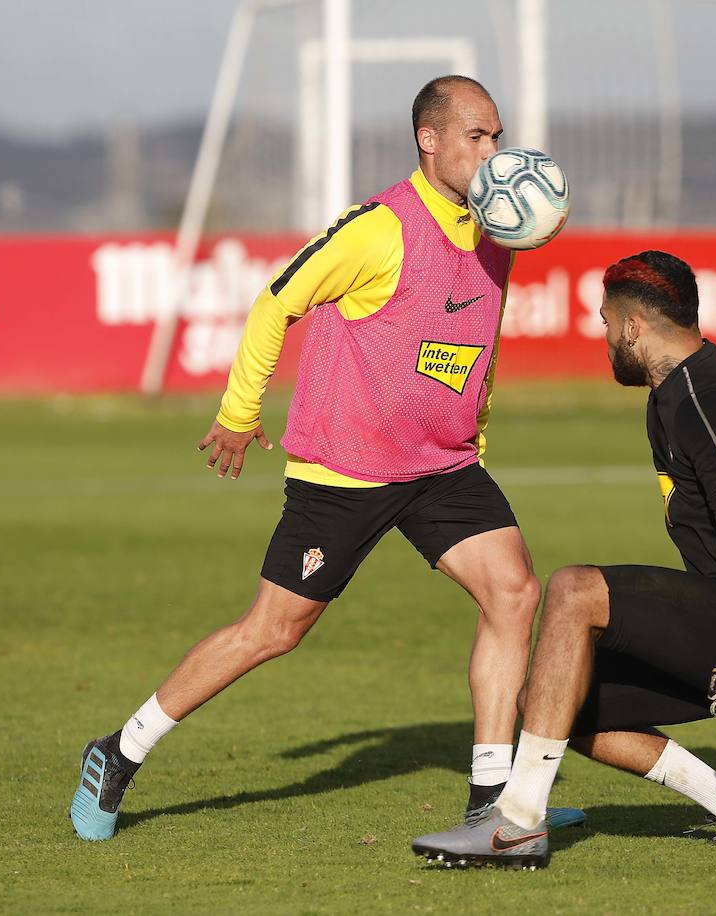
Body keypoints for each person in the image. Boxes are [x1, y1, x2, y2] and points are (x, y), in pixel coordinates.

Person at [71, 75, 582, 840]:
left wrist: (471, 423)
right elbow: (277, 301)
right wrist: (239, 415)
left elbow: (474, 339)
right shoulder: (379, 227)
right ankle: (119, 750)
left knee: (513, 593)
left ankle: (492, 801)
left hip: (441, 466)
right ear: (429, 140)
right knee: (273, 632)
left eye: (497, 136)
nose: (492, 152)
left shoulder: (499, 227)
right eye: (476, 136)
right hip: (346, 470)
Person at [410, 250, 716, 869]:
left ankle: (516, 826)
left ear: (634, 327)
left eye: (607, 321)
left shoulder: (705, 397)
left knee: (574, 590)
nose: (604, 335)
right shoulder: (671, 393)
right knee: (552, 701)